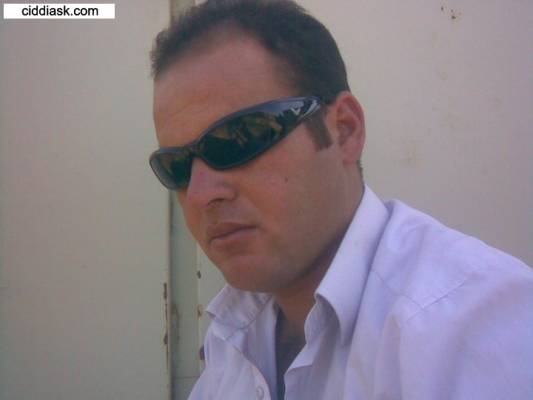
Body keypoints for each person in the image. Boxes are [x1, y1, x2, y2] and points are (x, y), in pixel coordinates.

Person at [148, 1, 533, 399]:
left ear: (344, 131)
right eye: (176, 167)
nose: (200, 194)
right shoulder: (233, 331)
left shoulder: (470, 330)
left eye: (237, 139)